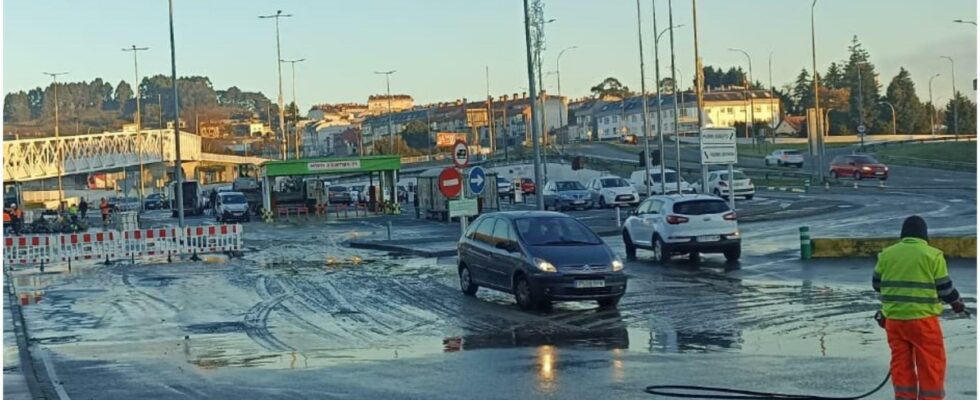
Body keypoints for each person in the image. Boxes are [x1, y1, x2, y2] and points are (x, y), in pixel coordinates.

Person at [873, 215, 965, 400]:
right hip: (923, 323)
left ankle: (904, 397)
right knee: (931, 364)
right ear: (924, 235)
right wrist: (957, 303)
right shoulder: (933, 255)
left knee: (900, 363)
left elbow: (876, 284)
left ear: (903, 234)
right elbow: (945, 289)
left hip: (894, 322)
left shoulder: (887, 254)